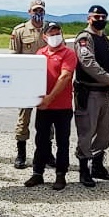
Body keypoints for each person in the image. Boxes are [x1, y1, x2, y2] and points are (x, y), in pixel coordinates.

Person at [73, 4, 109, 188]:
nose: (100, 20)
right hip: (89, 93)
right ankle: (84, 171)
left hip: (105, 93)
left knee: (104, 132)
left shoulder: (105, 39)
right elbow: (88, 63)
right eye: (96, 17)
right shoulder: (84, 38)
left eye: (103, 17)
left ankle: (97, 166)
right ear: (89, 18)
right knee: (87, 132)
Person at [24, 22, 76, 190]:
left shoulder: (68, 54)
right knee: (41, 141)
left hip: (62, 106)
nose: (55, 36)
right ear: (44, 37)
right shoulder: (40, 53)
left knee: (62, 142)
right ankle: (37, 173)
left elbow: (65, 76)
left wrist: (50, 98)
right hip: (43, 107)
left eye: (57, 32)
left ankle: (61, 175)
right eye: (51, 33)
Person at [10, 0, 48, 169]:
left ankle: (47, 153)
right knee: (23, 118)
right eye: (35, 10)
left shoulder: (50, 29)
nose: (38, 13)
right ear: (29, 11)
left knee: (48, 119)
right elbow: (14, 57)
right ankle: (21, 154)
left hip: (47, 80)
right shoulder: (20, 31)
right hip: (26, 81)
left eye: (41, 10)